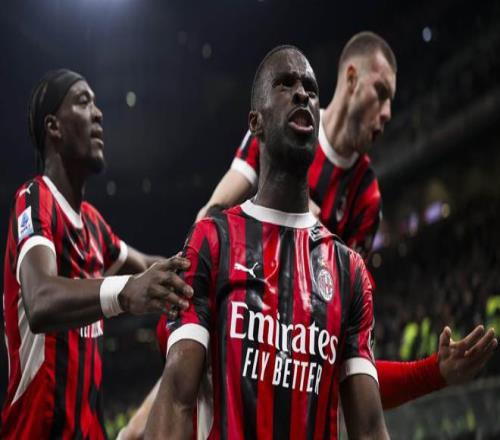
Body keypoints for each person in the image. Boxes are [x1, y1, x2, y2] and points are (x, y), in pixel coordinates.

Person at [146, 44, 389, 439]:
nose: (302, 94)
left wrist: (432, 372)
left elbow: (370, 427)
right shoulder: (212, 240)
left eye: (311, 89)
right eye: (286, 84)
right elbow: (176, 398)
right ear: (255, 124)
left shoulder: (350, 270)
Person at [1, 69, 193, 440]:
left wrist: (210, 261)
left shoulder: (92, 224)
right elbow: (40, 301)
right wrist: (125, 291)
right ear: (53, 127)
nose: (99, 113)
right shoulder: (35, 198)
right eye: (83, 101)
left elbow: (148, 267)